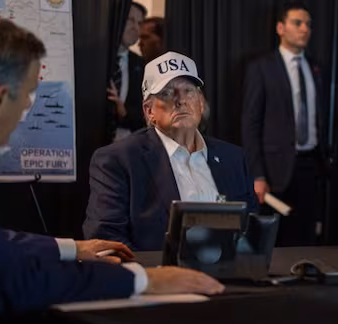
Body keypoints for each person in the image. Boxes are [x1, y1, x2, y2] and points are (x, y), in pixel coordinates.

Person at [0, 18, 223, 324]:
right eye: (30, 94)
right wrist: (143, 279)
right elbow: (8, 281)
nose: (28, 109)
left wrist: (70, 247)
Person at [85, 51, 258, 251]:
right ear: (149, 111)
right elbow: (105, 238)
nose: (180, 100)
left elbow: (253, 228)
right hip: (160, 278)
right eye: (166, 93)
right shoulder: (118, 161)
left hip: (231, 275)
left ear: (200, 104)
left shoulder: (233, 158)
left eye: (188, 91)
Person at [242, 2, 325, 246]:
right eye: (297, 23)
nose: (304, 29)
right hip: (274, 169)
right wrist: (257, 174)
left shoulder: (315, 66)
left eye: (308, 24)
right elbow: (250, 124)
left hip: (310, 164)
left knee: (305, 235)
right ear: (280, 27)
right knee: (274, 238)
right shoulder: (261, 68)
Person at [107, 2, 148, 142]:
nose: (135, 28)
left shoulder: (143, 65)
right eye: (130, 20)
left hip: (126, 149)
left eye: (139, 23)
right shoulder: (97, 59)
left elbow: (147, 115)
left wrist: (124, 112)